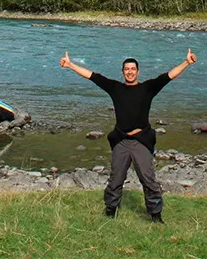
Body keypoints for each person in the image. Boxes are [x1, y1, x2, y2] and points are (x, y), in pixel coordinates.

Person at [60, 49, 197, 223]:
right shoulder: (115, 88)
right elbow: (93, 76)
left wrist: (186, 62)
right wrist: (71, 65)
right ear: (123, 72)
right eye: (127, 69)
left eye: (133, 69)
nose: (130, 72)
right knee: (115, 179)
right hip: (121, 140)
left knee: (148, 180)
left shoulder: (148, 88)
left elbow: (169, 76)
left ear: (138, 72)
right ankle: (110, 211)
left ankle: (155, 216)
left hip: (141, 140)